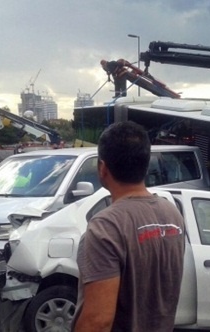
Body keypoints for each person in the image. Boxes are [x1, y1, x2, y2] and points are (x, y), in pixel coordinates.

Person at [74, 121, 185, 331]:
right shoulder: (172, 214)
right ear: (146, 164)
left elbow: (98, 321)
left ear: (103, 168)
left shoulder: (105, 228)